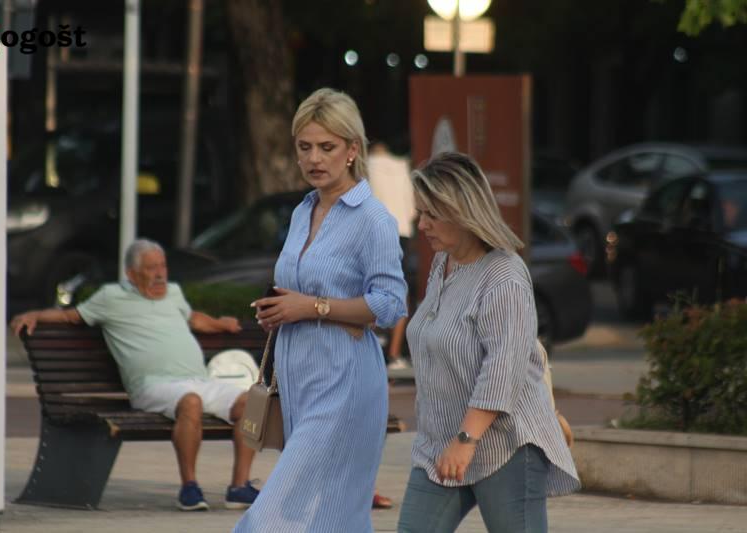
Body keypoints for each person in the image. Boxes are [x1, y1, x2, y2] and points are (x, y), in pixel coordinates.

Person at [233, 88, 408, 532]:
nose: (314, 158)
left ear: (352, 150)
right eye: (304, 147)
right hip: (299, 382)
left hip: (345, 382)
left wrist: (310, 307)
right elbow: (299, 291)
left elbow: (391, 305)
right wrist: (278, 309)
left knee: (270, 516)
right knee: (331, 518)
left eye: (327, 147)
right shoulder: (302, 211)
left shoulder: (373, 219)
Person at [397, 152, 580, 533]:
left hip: (504, 447)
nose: (422, 224)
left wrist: (466, 439)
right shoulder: (442, 264)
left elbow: (502, 367)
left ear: (463, 211)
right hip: (440, 447)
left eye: (432, 214)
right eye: (420, 213)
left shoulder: (504, 276)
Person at [9, 239, 259, 512]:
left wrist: (220, 323)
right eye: (151, 268)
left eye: (162, 266)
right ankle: (190, 487)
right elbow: (71, 317)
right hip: (152, 386)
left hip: (198, 381)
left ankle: (239, 487)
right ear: (131, 274)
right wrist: (36, 314)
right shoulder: (111, 298)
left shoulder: (173, 293)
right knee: (191, 402)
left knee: (252, 402)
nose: (160, 274)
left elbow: (194, 318)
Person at [366, 141, 417, 371]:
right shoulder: (402, 167)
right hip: (402, 231)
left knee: (370, 285)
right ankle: (394, 353)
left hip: (376, 230)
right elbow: (412, 210)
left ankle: (373, 343)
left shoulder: (366, 165)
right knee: (399, 289)